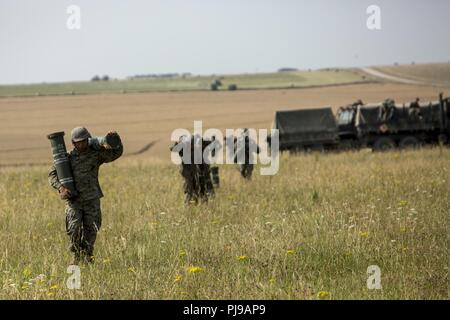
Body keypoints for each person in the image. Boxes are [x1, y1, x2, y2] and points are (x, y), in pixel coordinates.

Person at [48, 127, 123, 264]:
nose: (82, 144)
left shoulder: (96, 154)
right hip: (74, 200)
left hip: (91, 199)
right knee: (74, 228)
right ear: (73, 142)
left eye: (84, 141)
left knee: (91, 229)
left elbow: (115, 153)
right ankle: (76, 256)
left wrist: (116, 140)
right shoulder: (66, 158)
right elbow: (52, 175)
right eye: (78, 142)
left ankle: (88, 256)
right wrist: (61, 188)